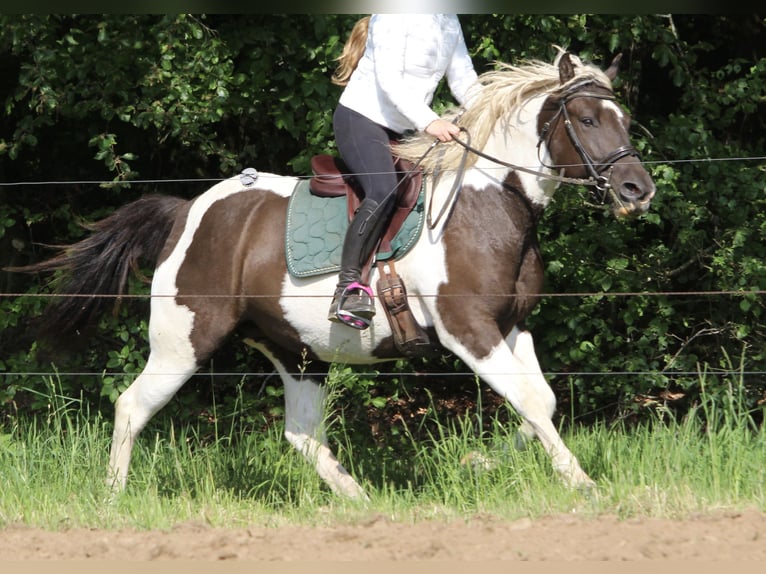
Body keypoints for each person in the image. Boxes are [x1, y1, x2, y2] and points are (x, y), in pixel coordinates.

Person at [328, 14, 479, 329]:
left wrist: (490, 110)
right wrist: (430, 122)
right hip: (363, 117)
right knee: (383, 190)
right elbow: (389, 80)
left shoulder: (449, 20)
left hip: (408, 126)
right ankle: (347, 287)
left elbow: (464, 79)